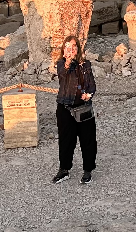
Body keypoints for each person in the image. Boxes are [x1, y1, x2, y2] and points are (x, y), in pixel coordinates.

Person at [53, 35, 97, 185]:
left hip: (83, 108)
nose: (71, 49)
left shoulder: (86, 65)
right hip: (65, 108)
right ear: (63, 49)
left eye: (73, 46)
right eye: (67, 46)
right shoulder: (60, 64)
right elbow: (63, 75)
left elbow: (91, 85)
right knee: (65, 140)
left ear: (78, 48)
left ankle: (88, 170)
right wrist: (68, 61)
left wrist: (89, 94)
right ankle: (64, 169)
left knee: (88, 140)